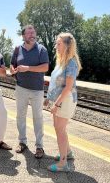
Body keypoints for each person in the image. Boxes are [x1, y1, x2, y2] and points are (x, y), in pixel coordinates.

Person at [44, 32, 82, 172]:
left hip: (65, 101)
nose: (55, 46)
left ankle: (63, 164)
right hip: (59, 99)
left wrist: (57, 104)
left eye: (58, 44)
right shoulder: (61, 61)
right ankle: (68, 153)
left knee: (59, 130)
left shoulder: (71, 62)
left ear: (67, 45)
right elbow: (56, 82)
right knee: (59, 128)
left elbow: (68, 87)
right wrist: (49, 98)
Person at [10, 25, 49, 159]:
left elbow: (45, 67)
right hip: (21, 87)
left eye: (33, 32)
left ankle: (39, 146)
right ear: (23, 36)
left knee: (37, 118)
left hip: (37, 89)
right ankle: (22, 142)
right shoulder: (17, 49)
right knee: (20, 116)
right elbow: (12, 64)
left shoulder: (41, 49)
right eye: (29, 33)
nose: (32, 35)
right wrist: (13, 70)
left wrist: (28, 68)